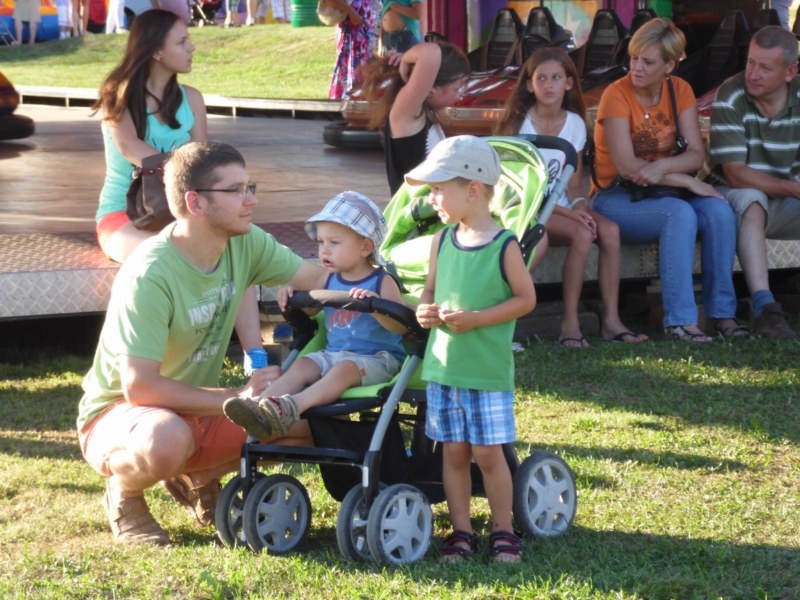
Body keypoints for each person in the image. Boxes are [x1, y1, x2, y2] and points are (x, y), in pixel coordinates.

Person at [77, 140, 328, 546]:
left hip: (195, 411)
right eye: (235, 190)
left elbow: (318, 279)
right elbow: (140, 387)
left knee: (317, 428)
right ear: (195, 202)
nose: (251, 200)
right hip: (121, 414)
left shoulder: (245, 241)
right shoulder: (150, 273)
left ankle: (198, 476)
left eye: (250, 187)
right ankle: (125, 493)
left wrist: (386, 287)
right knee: (167, 440)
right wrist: (237, 397)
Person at [90, 9, 267, 372]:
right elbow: (132, 148)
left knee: (234, 251)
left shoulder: (192, 99)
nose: (192, 48)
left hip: (181, 214)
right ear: (156, 50)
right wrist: (191, 174)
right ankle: (154, 358)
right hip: (124, 217)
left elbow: (205, 161)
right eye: (183, 41)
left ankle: (257, 357)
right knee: (162, 257)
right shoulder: (118, 95)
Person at [409, 136, 537, 563]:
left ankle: (503, 529)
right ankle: (461, 530)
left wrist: (478, 319)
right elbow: (429, 289)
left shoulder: (504, 245)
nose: (431, 199)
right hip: (445, 369)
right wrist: (425, 310)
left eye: (438, 189)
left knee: (487, 454)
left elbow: (525, 299)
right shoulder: (442, 241)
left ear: (473, 190)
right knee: (454, 452)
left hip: (484, 371)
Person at [591, 18, 745, 343]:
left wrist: (662, 168)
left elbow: (696, 155)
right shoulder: (615, 94)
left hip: (664, 190)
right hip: (616, 195)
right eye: (634, 58)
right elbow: (627, 166)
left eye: (647, 62)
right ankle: (680, 321)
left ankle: (723, 315)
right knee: (680, 213)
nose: (637, 67)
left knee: (719, 211)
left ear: (670, 65)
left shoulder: (680, 90)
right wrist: (686, 182)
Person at [495, 47, 648, 348]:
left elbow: (573, 184)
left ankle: (612, 321)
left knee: (610, 230)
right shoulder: (519, 124)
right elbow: (523, 193)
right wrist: (571, 215)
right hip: (530, 209)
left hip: (562, 207)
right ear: (529, 85)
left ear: (568, 83)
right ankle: (570, 323)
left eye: (556, 78)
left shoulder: (575, 123)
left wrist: (579, 206)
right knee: (582, 233)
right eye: (541, 78)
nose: (548, 85)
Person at [222, 191, 407, 440]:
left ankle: (291, 406)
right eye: (320, 242)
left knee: (342, 370)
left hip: (376, 360)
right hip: (334, 354)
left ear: (365, 247)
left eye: (334, 243)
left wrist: (375, 305)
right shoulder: (327, 279)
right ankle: (260, 407)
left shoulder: (381, 281)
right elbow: (312, 309)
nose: (324, 250)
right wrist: (293, 295)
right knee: (302, 365)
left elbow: (400, 326)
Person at [705, 26, 799, 339]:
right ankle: (764, 307)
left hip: (785, 199)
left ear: (790, 72)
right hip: (729, 199)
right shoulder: (731, 94)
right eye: (750, 62)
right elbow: (736, 174)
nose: (753, 74)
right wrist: (793, 188)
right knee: (752, 199)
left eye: (765, 68)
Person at [361, 40, 470, 196]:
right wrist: (406, 59)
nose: (459, 96)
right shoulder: (407, 114)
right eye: (456, 88)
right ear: (432, 89)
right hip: (413, 209)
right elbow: (431, 52)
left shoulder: (424, 115)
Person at [328, 0, 376, 100]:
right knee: (349, 71)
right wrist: (351, 11)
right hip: (350, 37)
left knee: (365, 72)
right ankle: (346, 99)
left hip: (366, 36)